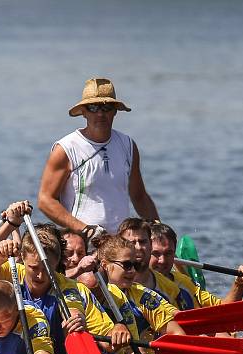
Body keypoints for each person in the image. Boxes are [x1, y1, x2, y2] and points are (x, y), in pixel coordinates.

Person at [0, 202, 129, 354]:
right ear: (23, 258)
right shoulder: (13, 273)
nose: (40, 275)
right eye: (33, 268)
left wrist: (118, 331)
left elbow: (108, 344)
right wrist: (10, 225)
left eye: (47, 269)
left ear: (56, 264)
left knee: (70, 328)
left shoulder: (72, 289)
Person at [38, 77, 159, 241]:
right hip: (81, 245)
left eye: (106, 107)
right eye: (93, 107)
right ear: (83, 112)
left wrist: (159, 232)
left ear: (115, 111)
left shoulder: (128, 145)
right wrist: (86, 230)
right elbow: (45, 200)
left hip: (120, 245)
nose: (100, 113)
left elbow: (139, 197)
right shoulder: (66, 149)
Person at [93, 233, 186, 354]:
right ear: (105, 265)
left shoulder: (143, 296)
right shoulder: (86, 291)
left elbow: (176, 333)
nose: (132, 271)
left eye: (135, 265)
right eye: (126, 265)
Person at [118, 218, 243, 311]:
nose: (163, 261)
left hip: (182, 339)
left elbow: (224, 311)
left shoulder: (182, 284)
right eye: (156, 254)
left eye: (168, 254)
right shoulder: (121, 282)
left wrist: (239, 284)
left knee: (224, 334)